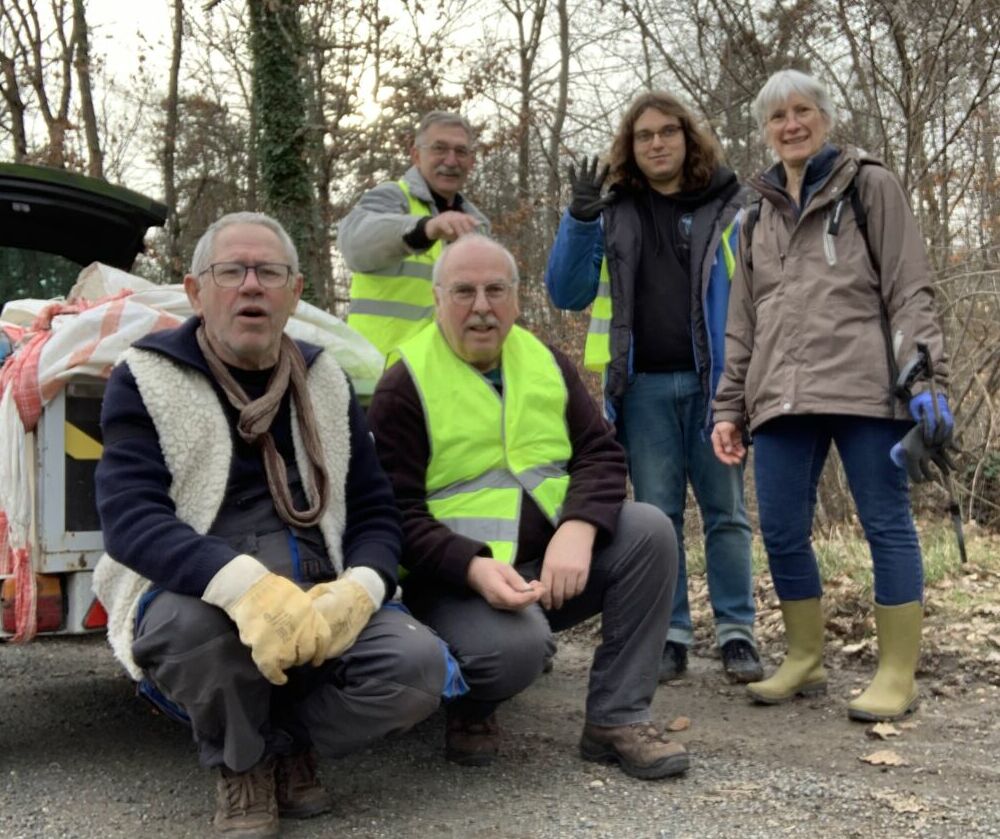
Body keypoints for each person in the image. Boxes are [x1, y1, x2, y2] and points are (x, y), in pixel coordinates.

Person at [93, 212, 448, 837]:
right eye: (230, 271)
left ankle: (283, 742)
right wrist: (243, 588)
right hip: (201, 591)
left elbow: (373, 509)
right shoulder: (144, 377)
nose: (251, 285)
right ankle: (243, 766)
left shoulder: (325, 379)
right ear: (196, 291)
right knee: (199, 638)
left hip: (318, 585)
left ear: (296, 291)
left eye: (269, 272)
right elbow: (130, 518)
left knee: (418, 666)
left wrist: (361, 589)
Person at [367, 234, 688, 780]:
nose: (482, 307)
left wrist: (580, 527)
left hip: (550, 568)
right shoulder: (405, 384)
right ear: (438, 299)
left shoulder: (543, 359)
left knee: (650, 530)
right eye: (464, 292)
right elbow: (394, 511)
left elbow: (599, 452)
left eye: (496, 290)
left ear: (516, 299)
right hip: (455, 585)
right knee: (515, 653)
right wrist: (470, 565)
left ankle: (617, 718)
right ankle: (472, 704)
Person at [711, 69, 951, 722]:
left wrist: (926, 378)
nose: (791, 124)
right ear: (764, 130)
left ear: (825, 117)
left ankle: (896, 672)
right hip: (780, 397)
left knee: (886, 524)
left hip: (866, 389)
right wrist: (729, 406)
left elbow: (909, 286)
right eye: (777, 116)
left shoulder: (869, 185)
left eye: (802, 111)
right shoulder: (753, 213)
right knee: (782, 527)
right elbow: (743, 322)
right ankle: (804, 656)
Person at [545, 91, 762, 684]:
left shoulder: (735, 205)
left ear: (689, 138)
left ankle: (738, 632)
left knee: (727, 514)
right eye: (644, 136)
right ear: (630, 147)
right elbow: (566, 292)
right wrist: (579, 218)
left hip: (717, 389)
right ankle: (671, 635)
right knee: (658, 519)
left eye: (669, 131)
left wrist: (748, 388)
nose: (657, 143)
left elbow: (764, 294)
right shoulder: (615, 210)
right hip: (639, 390)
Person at [338, 110, 490, 356]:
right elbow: (355, 245)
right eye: (440, 148)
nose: (451, 161)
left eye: (461, 151)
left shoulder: (477, 225)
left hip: (446, 375)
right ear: (416, 155)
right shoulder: (391, 197)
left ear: (471, 162)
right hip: (380, 372)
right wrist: (425, 228)